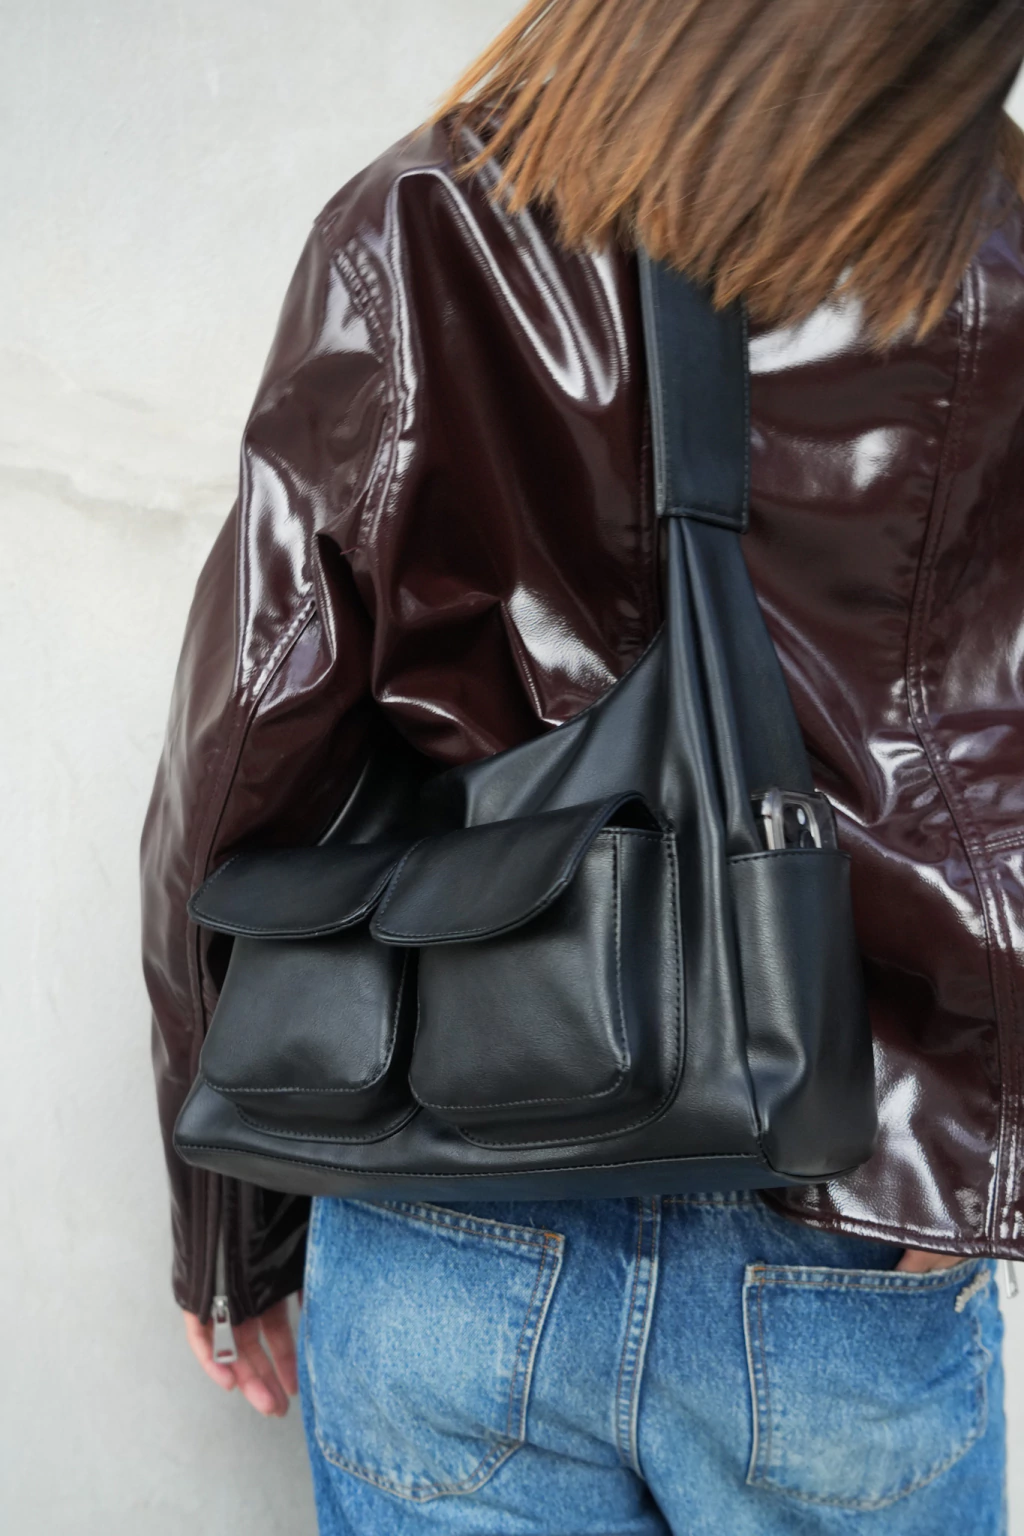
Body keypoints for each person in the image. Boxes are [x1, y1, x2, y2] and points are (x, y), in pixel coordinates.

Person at [141, 1, 1024, 1530]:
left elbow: (246, 744)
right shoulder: (992, 258)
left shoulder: (426, 218)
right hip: (851, 1234)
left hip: (448, 1193)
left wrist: (232, 1213)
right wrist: (988, 1158)